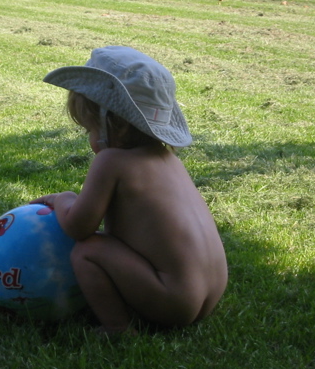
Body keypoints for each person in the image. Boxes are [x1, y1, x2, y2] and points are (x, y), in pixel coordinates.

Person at [31, 46, 228, 335]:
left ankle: (118, 327)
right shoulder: (168, 159)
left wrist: (62, 199)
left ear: (115, 125)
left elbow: (78, 227)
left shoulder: (111, 161)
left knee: (88, 251)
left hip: (172, 301)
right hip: (209, 291)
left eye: (90, 130)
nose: (90, 138)